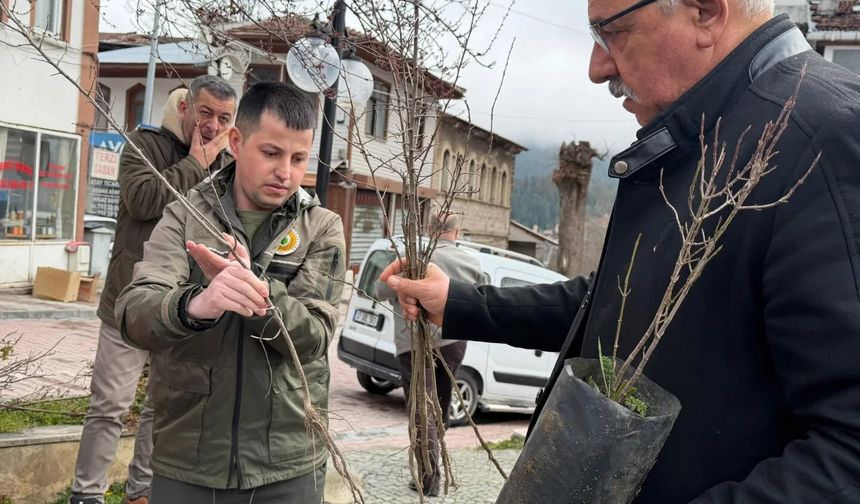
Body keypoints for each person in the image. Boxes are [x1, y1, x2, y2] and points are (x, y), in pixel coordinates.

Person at [381, 1, 860, 502]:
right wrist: (460, 303)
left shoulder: (826, 139)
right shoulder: (710, 139)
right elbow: (623, 303)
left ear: (705, 12)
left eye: (614, 31)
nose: (597, 67)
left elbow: (848, 457)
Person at [114, 81, 346, 503]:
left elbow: (314, 338)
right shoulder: (184, 215)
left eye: (299, 158)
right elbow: (133, 314)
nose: (286, 173)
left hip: (288, 464)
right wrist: (196, 305)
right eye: (272, 153)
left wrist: (257, 291)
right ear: (236, 142)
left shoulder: (321, 228)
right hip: (188, 459)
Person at [71, 75, 236, 504]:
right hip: (130, 302)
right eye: (205, 113)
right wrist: (196, 163)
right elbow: (143, 200)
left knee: (158, 409)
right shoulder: (144, 145)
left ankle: (141, 492)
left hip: (181, 306)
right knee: (110, 406)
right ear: (185, 109)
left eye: (223, 118)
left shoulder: (226, 165)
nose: (212, 126)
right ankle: (86, 494)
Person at [375, 212, 483, 496]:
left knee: (421, 407)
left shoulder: (413, 256)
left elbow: (378, 289)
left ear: (427, 230)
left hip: (413, 343)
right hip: (453, 341)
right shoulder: (471, 262)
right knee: (441, 403)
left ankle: (428, 476)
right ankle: (435, 463)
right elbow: (482, 297)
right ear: (456, 232)